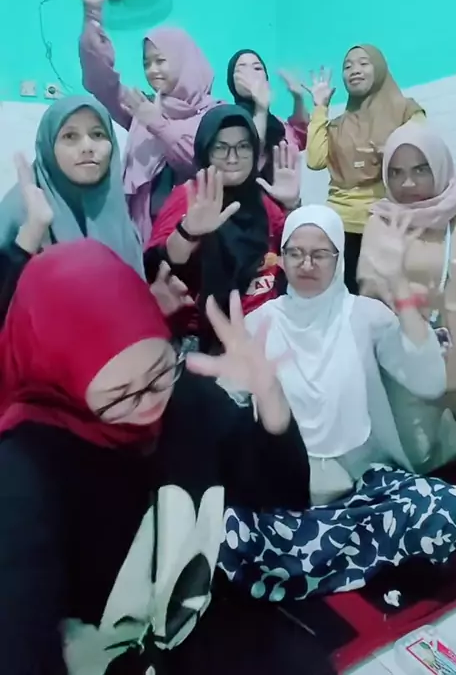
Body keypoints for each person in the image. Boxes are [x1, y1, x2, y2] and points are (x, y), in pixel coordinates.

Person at [0, 238, 314, 674]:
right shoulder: (25, 474)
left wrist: (269, 395)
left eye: (159, 371)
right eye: (120, 396)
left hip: (195, 642)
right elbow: (20, 645)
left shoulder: (185, 399)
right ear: (61, 382)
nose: (149, 404)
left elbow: (285, 495)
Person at [217, 205, 456, 600]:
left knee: (451, 509)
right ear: (281, 258)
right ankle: (367, 559)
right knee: (230, 532)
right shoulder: (259, 323)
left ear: (338, 256)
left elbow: (428, 382)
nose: (307, 264)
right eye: (295, 253)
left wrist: (399, 286)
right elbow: (225, 403)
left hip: (366, 487)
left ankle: (320, 565)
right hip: (291, 496)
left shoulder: (365, 315)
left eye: (320, 254)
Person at [358, 121, 456, 475]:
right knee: (420, 459)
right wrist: (404, 302)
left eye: (420, 169)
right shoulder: (383, 220)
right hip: (418, 364)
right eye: (396, 173)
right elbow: (370, 288)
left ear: (440, 165)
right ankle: (454, 437)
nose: (407, 183)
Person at [74, 0, 222, 242]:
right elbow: (100, 81)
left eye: (160, 60)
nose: (152, 70)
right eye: (146, 63)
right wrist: (92, 13)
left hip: (193, 241)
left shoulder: (215, 114)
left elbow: (200, 164)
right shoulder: (142, 106)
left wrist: (157, 124)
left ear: (183, 59)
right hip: (141, 236)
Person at [145, 104, 301, 350]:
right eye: (221, 147)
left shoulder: (260, 199)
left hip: (265, 332)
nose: (233, 158)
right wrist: (188, 233)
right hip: (209, 342)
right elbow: (159, 264)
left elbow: (293, 248)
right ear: (205, 151)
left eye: (243, 146)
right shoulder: (191, 197)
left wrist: (292, 205)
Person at [0, 95, 143, 318]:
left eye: (98, 134)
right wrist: (32, 233)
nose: (87, 147)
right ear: (49, 147)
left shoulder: (115, 209)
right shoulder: (20, 210)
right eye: (70, 136)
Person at [305, 45, 425, 294]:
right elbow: (314, 161)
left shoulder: (406, 111)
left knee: (390, 300)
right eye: (348, 66)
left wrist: (393, 153)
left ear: (379, 68)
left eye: (363, 63)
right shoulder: (336, 125)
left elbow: (424, 152)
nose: (354, 70)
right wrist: (320, 107)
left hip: (390, 222)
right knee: (345, 300)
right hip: (341, 227)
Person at [227, 49, 309, 183]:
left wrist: (298, 98)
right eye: (242, 69)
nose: (251, 74)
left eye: (257, 68)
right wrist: (261, 108)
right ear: (231, 82)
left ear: (266, 78)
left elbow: (301, 138)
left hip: (286, 196)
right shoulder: (229, 120)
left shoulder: (277, 123)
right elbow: (249, 156)